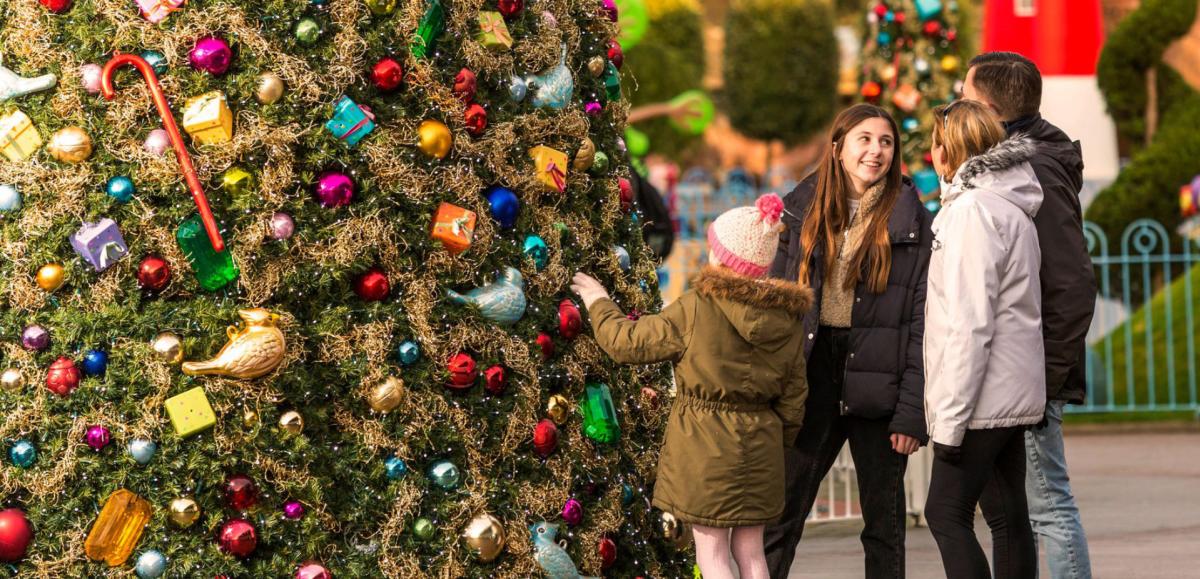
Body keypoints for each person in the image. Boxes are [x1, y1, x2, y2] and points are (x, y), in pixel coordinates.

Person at [570, 194, 811, 579]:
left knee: (711, 553)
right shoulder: (787, 319)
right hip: (762, 446)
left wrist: (599, 301)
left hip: (705, 446)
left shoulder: (698, 306)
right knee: (751, 553)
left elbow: (627, 343)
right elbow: (795, 395)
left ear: (721, 258)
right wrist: (776, 441)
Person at [763, 103, 932, 579]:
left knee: (883, 527)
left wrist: (910, 412)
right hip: (813, 371)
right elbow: (777, 305)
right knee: (781, 516)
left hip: (879, 378)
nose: (875, 151)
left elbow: (921, 325)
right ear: (838, 147)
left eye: (885, 141)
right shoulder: (801, 210)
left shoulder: (911, 222)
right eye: (864, 139)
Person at [963, 51, 1097, 579]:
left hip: (1033, 370)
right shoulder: (1026, 157)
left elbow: (1071, 281)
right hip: (1024, 367)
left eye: (965, 98)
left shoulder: (1034, 165)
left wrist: (1047, 375)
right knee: (1018, 508)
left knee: (1048, 504)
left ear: (990, 108)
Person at [922, 99, 1045, 579]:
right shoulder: (1009, 204)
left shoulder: (972, 211)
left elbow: (968, 323)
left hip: (981, 400)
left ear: (947, 149)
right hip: (1010, 393)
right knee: (1006, 515)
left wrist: (949, 421)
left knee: (945, 514)